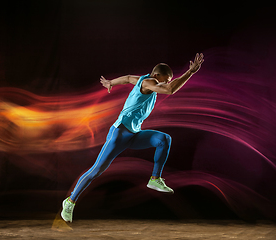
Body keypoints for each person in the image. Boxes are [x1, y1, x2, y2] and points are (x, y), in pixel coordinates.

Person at [61, 53, 204, 222]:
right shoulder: (149, 82)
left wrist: (110, 83)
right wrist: (190, 72)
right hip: (119, 134)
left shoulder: (142, 80)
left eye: (169, 80)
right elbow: (170, 90)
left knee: (164, 139)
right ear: (157, 76)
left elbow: (128, 78)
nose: (167, 82)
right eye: (166, 79)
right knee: (96, 170)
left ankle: (155, 179)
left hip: (134, 134)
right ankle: (70, 202)